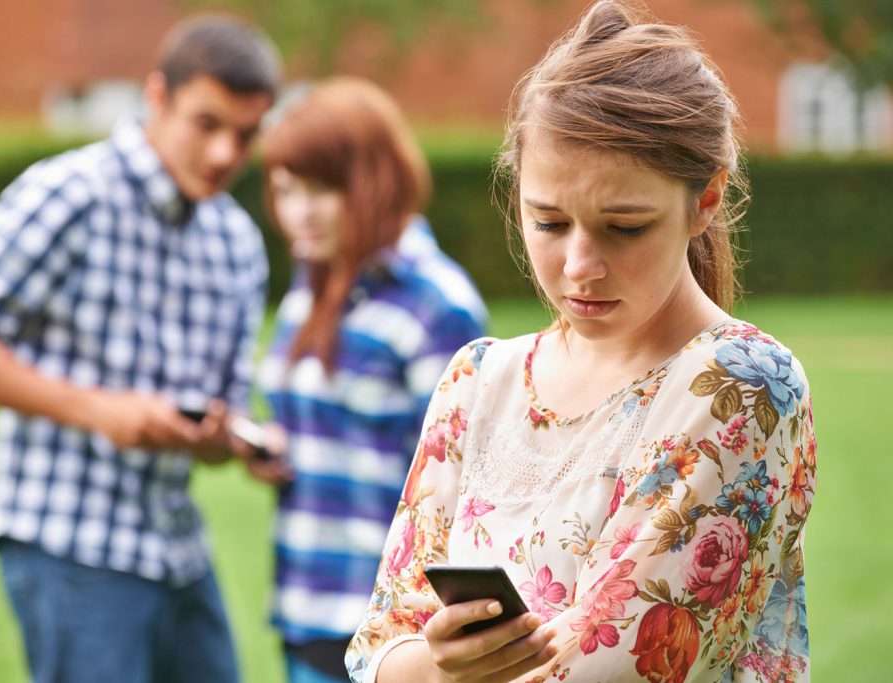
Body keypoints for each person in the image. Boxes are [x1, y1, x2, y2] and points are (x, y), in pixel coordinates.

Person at [345, 2, 817, 682]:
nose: (579, 265)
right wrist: (440, 668)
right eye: (550, 222)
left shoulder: (741, 385)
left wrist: (442, 668)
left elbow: (613, 668)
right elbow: (372, 649)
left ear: (706, 199)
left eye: (624, 226)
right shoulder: (477, 380)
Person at [0, 16, 281, 683]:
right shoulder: (68, 195)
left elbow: (219, 410)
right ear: (157, 97)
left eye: (247, 133)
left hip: (177, 548)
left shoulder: (235, 241)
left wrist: (225, 439)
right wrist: (98, 410)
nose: (226, 152)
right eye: (208, 124)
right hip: (69, 541)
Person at [247, 76, 488, 683]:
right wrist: (274, 447)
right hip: (306, 600)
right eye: (284, 189)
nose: (298, 211)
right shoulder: (315, 281)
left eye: (321, 189)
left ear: (374, 181)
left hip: (391, 626)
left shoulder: (436, 304)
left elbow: (468, 478)